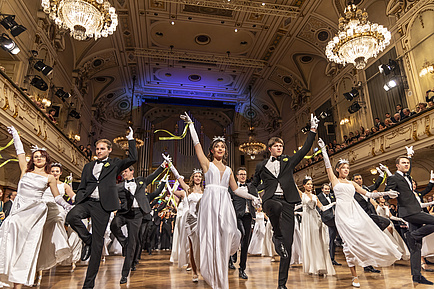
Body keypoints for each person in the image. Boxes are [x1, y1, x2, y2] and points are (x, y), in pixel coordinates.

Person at [179, 112, 260, 289]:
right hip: (210, 203)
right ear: (212, 150)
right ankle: (212, 274)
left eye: (223, 146)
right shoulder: (207, 165)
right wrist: (191, 125)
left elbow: (236, 189)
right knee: (211, 236)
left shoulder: (230, 169)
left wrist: (252, 196)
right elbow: (197, 145)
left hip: (224, 203)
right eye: (217, 146)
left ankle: (221, 271)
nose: (220, 148)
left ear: (225, 150)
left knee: (230, 231)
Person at [318, 137, 401, 287]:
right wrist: (324, 150)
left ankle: (370, 260)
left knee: (365, 236)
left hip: (355, 211)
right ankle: (354, 276)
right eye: (343, 168)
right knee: (347, 245)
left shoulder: (352, 183)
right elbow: (327, 166)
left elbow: (368, 194)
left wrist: (386, 193)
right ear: (338, 169)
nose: (346, 170)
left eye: (347, 168)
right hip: (342, 214)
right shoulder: (334, 180)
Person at [250, 113, 319, 289]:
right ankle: (277, 235)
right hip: (270, 200)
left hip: (288, 202)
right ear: (270, 148)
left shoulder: (288, 161)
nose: (279, 147)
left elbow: (304, 150)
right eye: (276, 145)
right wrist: (254, 197)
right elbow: (254, 184)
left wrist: (312, 130)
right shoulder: (261, 165)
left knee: (287, 245)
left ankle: (282, 284)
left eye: (281, 145)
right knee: (275, 206)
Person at [0, 126, 72, 288]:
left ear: (46, 159)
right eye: (36, 156)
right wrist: (16, 136)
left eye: (41, 156)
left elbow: (58, 198)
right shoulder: (25, 170)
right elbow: (20, 153)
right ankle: (6, 275)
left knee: (28, 246)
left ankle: (19, 282)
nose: (38, 158)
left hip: (36, 214)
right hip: (19, 212)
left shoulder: (49, 178)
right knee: (9, 238)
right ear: (32, 159)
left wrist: (69, 207)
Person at [66, 127, 137, 289]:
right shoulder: (88, 166)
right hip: (87, 201)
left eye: (102, 149)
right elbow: (83, 186)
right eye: (97, 149)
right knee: (71, 217)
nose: (98, 151)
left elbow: (133, 157)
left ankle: (88, 285)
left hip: (103, 206)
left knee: (98, 246)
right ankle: (88, 240)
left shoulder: (115, 164)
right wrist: (79, 199)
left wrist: (131, 139)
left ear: (109, 150)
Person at [385, 147, 434, 285]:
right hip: (409, 212)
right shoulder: (393, 178)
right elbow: (388, 191)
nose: (406, 164)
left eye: (407, 163)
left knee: (415, 247)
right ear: (397, 166)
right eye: (404, 163)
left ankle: (417, 276)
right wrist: (390, 194)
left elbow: (409, 167)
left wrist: (410, 156)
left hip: (414, 210)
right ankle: (412, 235)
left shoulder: (408, 177)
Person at [110, 162, 165, 284]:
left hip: (137, 215)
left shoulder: (141, 181)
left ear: (131, 171)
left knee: (132, 244)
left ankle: (124, 274)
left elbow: (153, 175)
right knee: (114, 225)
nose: (123, 173)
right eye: (122, 172)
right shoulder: (119, 186)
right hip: (124, 213)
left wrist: (162, 166)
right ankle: (123, 241)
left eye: (125, 171)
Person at [352, 170, 389, 273]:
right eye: (356, 179)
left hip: (371, 216)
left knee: (386, 222)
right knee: (365, 242)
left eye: (360, 178)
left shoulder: (366, 189)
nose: (359, 180)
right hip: (362, 218)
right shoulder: (352, 192)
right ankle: (367, 266)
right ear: (353, 181)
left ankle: (375, 233)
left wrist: (382, 175)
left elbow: (376, 185)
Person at [299, 177, 335, 276]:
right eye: (308, 184)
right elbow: (293, 186)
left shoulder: (315, 196)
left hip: (315, 218)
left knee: (318, 241)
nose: (310, 186)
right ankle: (312, 265)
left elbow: (322, 208)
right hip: (306, 219)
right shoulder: (301, 195)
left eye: (311, 184)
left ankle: (320, 265)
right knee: (309, 241)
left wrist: (333, 204)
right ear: (304, 185)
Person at [227, 167, 258, 279]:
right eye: (240, 174)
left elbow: (254, 201)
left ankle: (242, 269)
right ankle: (231, 256)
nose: (243, 176)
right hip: (236, 217)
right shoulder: (232, 188)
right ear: (237, 176)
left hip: (248, 216)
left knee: (245, 244)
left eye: (244, 174)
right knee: (241, 234)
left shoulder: (250, 187)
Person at [317, 183, 340, 266]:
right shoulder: (318, 197)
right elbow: (319, 209)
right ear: (322, 189)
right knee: (327, 240)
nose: (327, 190)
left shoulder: (332, 196)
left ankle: (332, 258)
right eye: (325, 189)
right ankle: (326, 259)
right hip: (326, 220)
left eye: (328, 189)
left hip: (334, 219)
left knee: (332, 239)